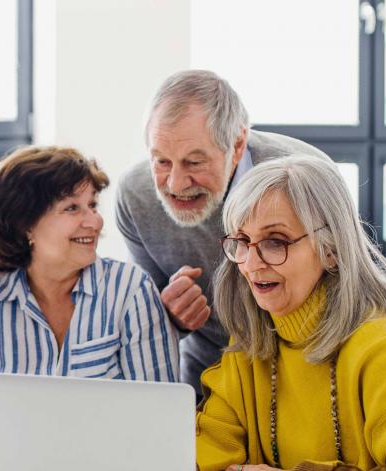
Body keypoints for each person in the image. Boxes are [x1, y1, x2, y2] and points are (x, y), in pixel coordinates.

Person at [196, 154, 386, 471]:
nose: (250, 263)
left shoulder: (383, 348)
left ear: (330, 250)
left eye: (275, 242)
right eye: (243, 240)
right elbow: (206, 453)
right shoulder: (252, 342)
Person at [115, 70, 334, 395]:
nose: (175, 184)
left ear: (237, 143)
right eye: (161, 161)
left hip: (307, 366)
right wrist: (170, 316)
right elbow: (147, 320)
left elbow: (348, 289)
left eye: (194, 163)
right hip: (210, 373)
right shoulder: (136, 196)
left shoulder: (304, 178)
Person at [0, 146, 179, 382]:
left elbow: (156, 410)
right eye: (71, 208)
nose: (95, 221)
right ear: (25, 223)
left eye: (92, 205)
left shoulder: (130, 291)